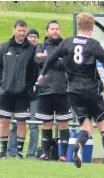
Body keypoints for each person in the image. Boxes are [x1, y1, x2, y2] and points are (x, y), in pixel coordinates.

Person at [37, 13, 104, 172]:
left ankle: (79, 144)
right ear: (92, 27)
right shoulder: (94, 44)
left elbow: (50, 58)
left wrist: (43, 75)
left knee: (86, 126)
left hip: (73, 91)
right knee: (103, 126)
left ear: (78, 25)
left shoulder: (67, 42)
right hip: (92, 90)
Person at [35, 20, 72, 162]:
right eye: (52, 29)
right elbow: (38, 61)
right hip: (45, 91)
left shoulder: (66, 46)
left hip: (63, 91)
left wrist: (48, 59)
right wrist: (56, 60)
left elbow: (68, 64)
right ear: (47, 31)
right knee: (46, 123)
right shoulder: (40, 46)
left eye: (57, 28)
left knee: (63, 124)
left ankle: (63, 155)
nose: (55, 31)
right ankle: (45, 153)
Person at [0, 20, 37, 159]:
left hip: (23, 93)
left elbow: (34, 71)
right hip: (6, 92)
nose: (22, 33)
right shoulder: (4, 47)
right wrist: (2, 84)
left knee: (22, 122)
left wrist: (28, 87)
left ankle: (19, 152)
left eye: (24, 31)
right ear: (14, 30)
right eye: (19, 30)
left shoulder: (32, 49)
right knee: (4, 120)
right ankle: (3, 151)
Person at [8, 28, 40, 158]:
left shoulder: (40, 52)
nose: (32, 38)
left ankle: (31, 153)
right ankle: (12, 151)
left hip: (34, 94)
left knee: (33, 125)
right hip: (19, 94)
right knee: (15, 123)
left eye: (35, 36)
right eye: (30, 36)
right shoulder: (23, 51)